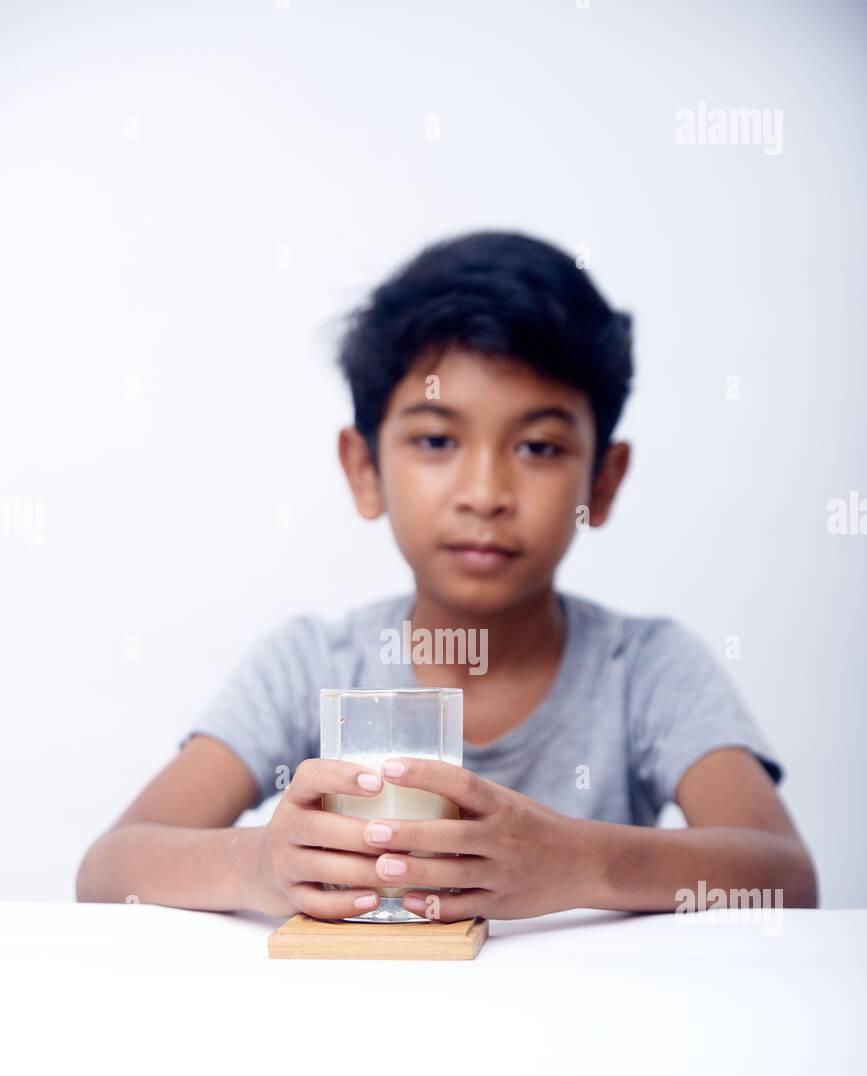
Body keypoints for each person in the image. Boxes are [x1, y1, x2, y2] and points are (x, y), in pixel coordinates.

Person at [76, 231, 817, 920]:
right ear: (364, 470)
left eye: (538, 447)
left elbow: (783, 878)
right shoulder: (309, 664)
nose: (485, 492)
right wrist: (257, 866)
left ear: (604, 481)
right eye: (436, 439)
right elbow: (109, 870)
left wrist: (577, 863)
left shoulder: (648, 670)